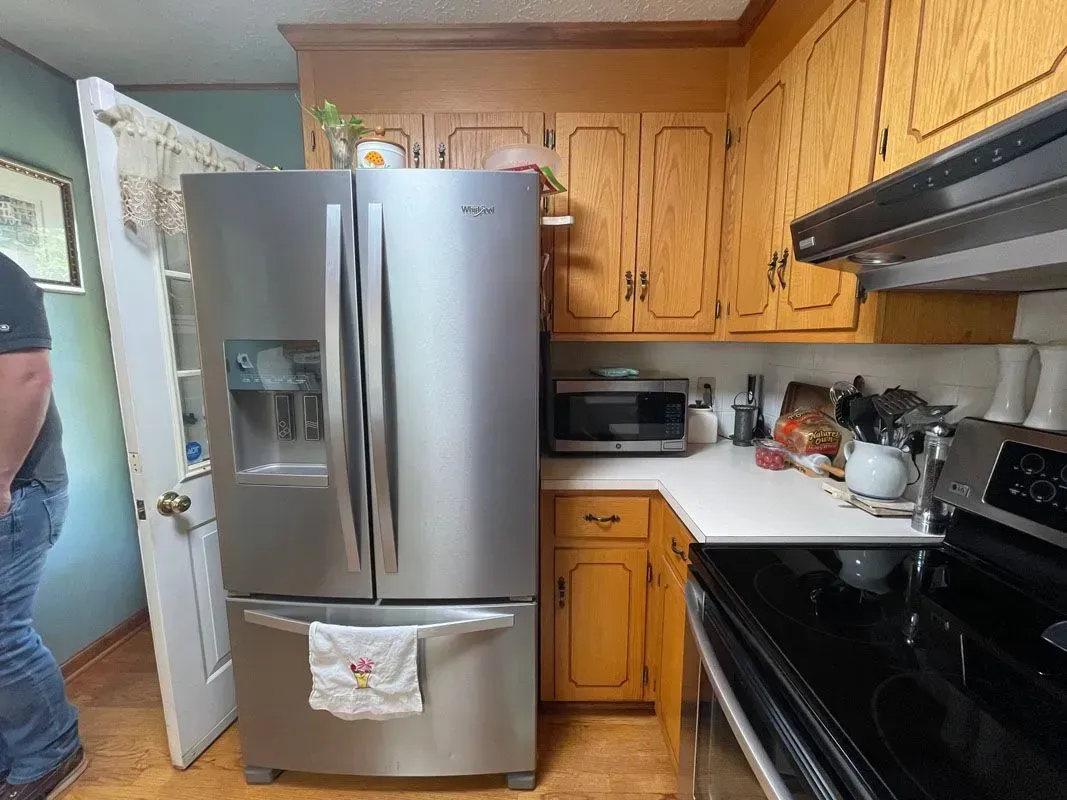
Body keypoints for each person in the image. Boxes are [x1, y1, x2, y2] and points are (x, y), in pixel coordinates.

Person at [0, 252, 84, 799]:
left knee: (2, 637)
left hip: (18, 491)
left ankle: (51, 751)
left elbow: (29, 376)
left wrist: (1, 478)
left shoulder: (2, 276)